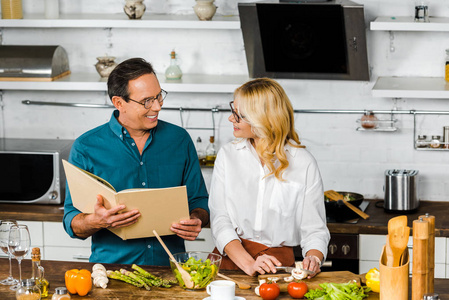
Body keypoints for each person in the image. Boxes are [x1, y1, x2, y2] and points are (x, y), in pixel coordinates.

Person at [63, 58, 209, 266]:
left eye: (159, 96)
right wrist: (96, 221)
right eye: (146, 101)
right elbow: (72, 221)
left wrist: (197, 219)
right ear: (119, 103)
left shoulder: (179, 140)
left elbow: (199, 201)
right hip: (112, 271)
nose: (157, 106)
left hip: (172, 270)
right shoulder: (86, 147)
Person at [209, 78, 330, 277]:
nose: (231, 119)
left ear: (262, 118)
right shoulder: (227, 155)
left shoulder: (303, 162)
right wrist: (249, 264)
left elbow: (315, 229)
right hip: (233, 265)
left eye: (238, 114)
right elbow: (220, 219)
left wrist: (314, 259)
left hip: (279, 269)